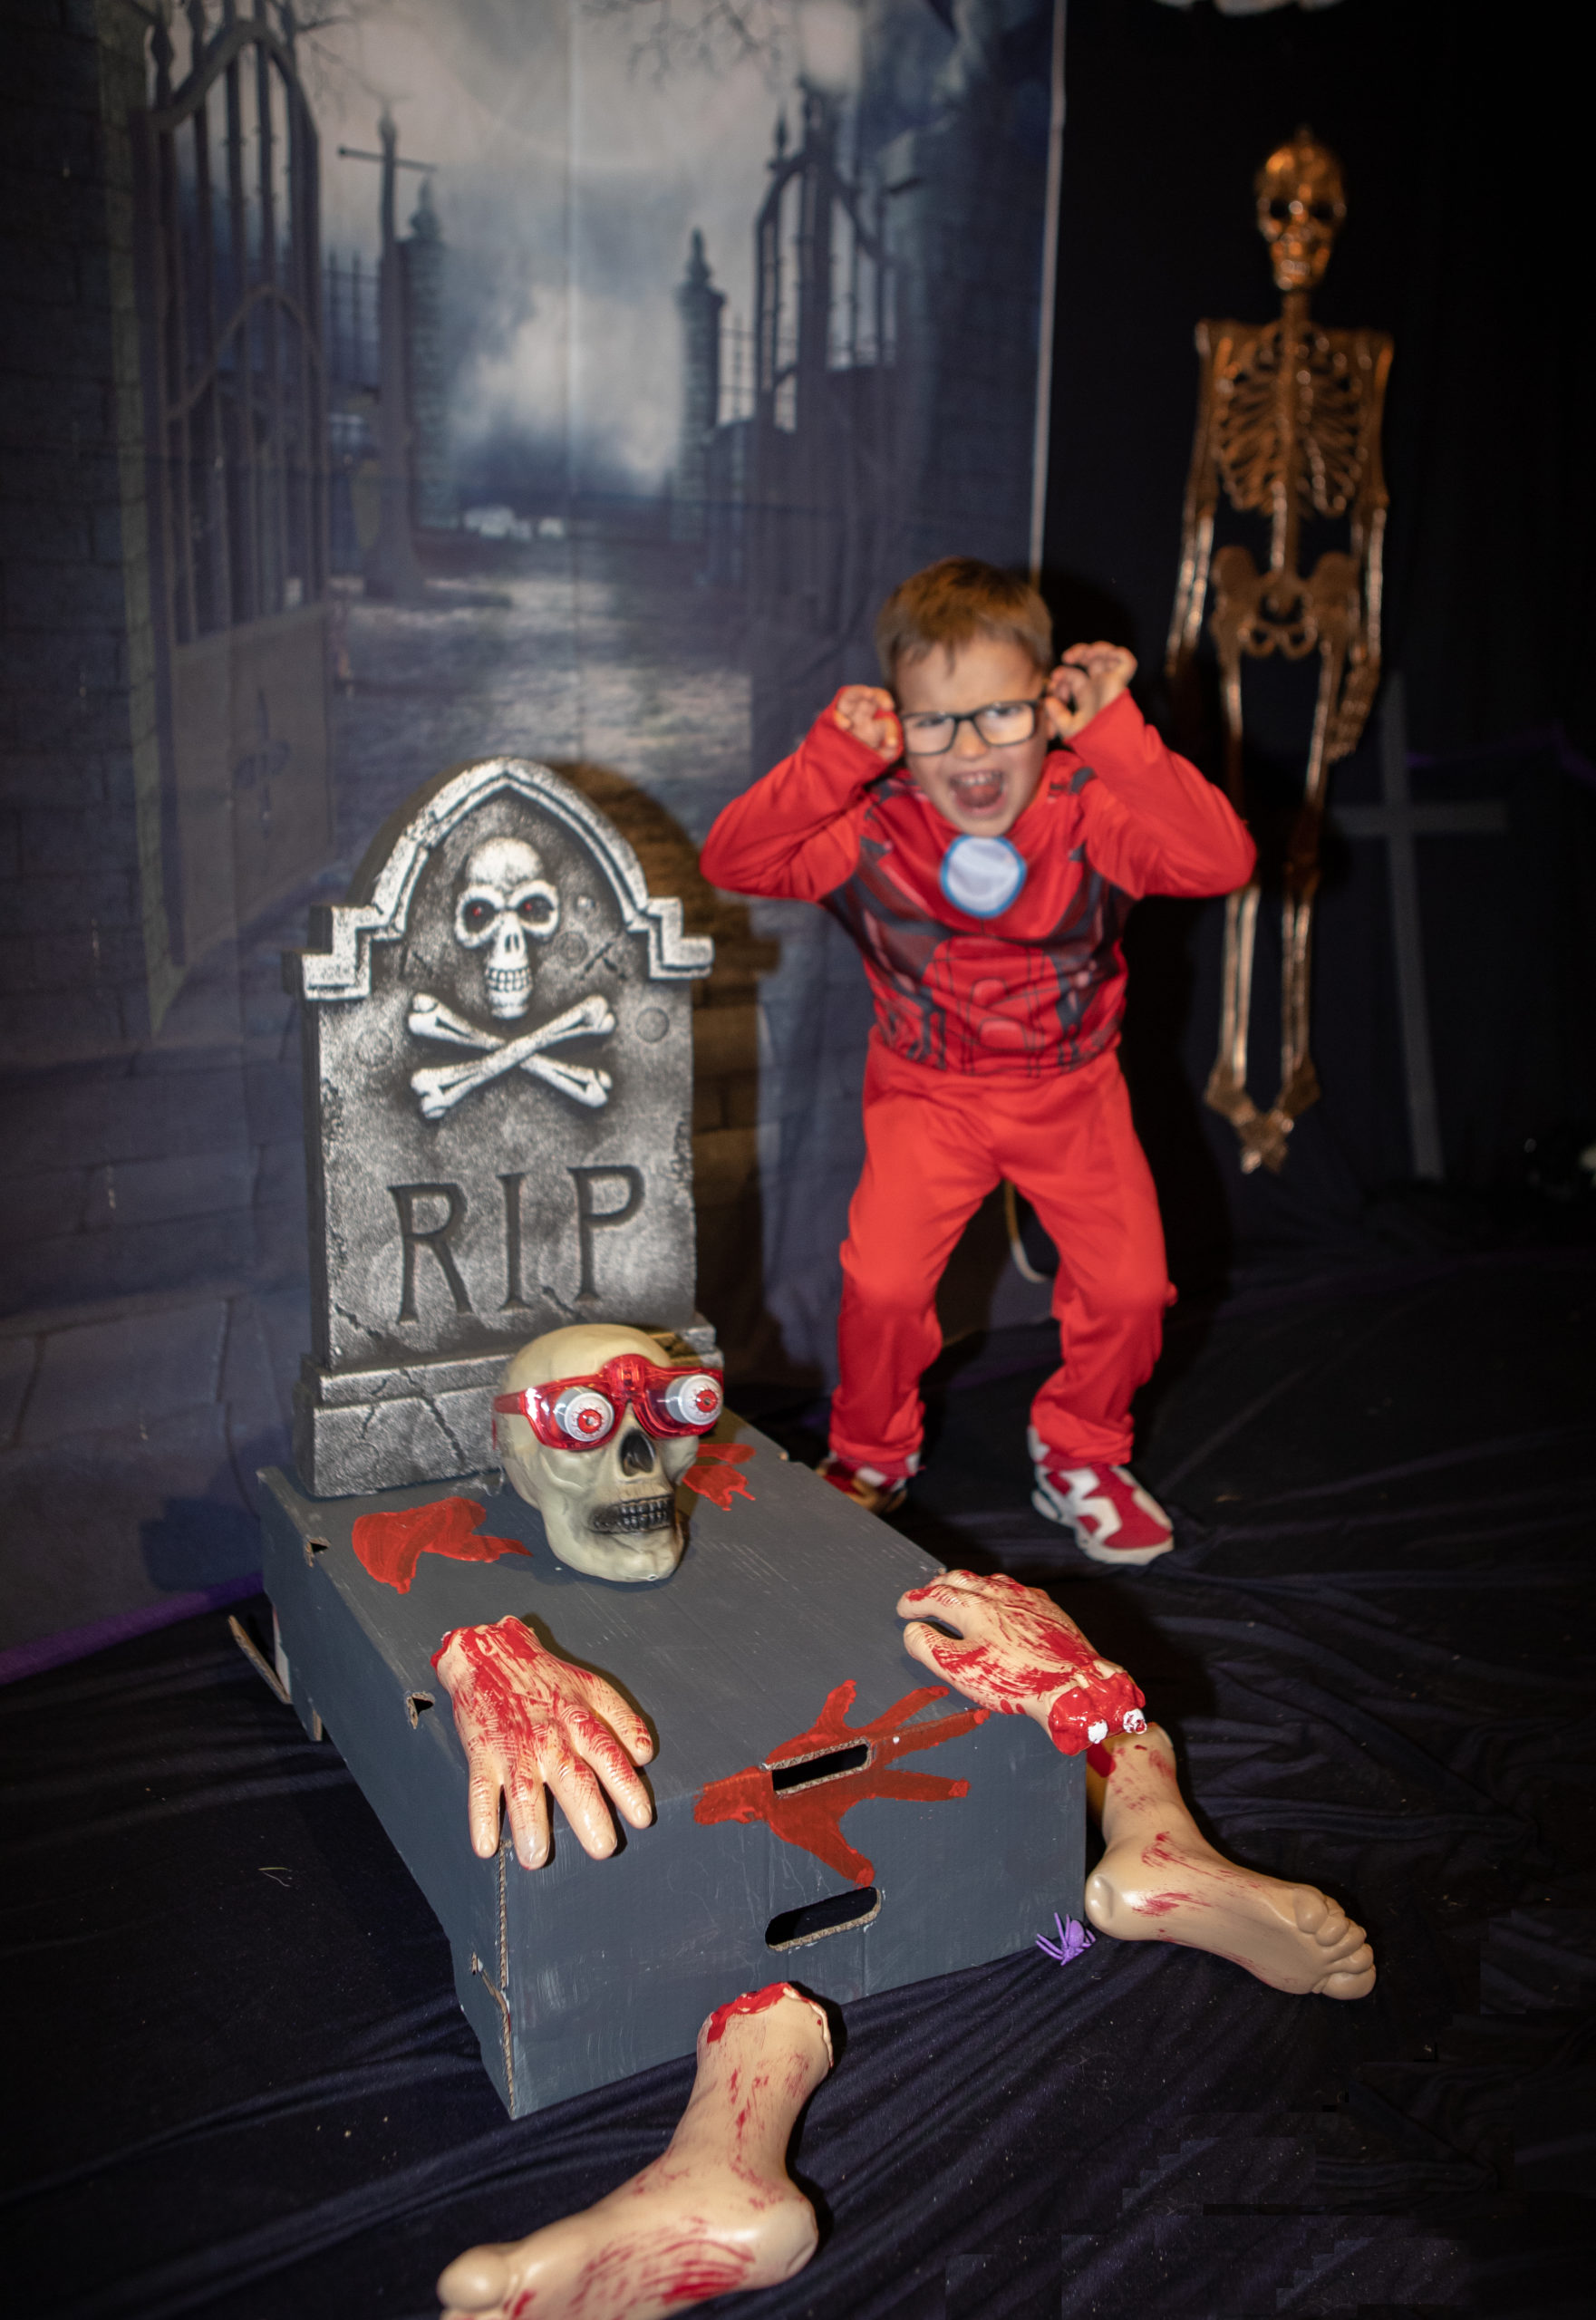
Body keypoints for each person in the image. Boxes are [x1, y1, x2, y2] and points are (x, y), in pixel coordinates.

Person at [700, 558, 1255, 1562]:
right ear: (895, 722)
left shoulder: (1088, 809)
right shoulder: (874, 822)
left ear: (1048, 706)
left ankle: (1081, 1451)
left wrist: (1118, 734)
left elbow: (1222, 860)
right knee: (881, 1285)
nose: (969, 749)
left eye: (1000, 713)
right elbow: (733, 859)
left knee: (1130, 1291)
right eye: (934, 722)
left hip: (1072, 1094)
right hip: (928, 1096)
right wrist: (833, 757)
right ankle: (871, 1450)